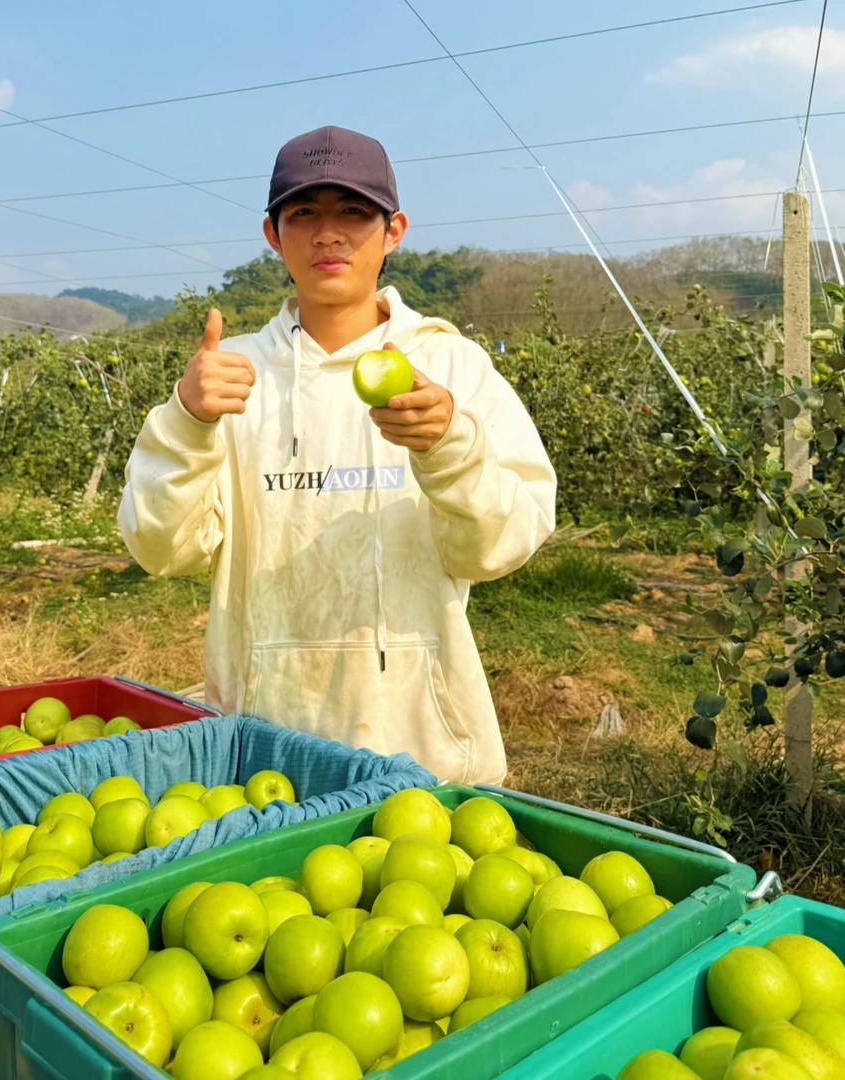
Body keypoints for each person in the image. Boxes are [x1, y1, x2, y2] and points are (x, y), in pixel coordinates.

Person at [118, 125, 556, 784]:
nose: (328, 234)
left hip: (421, 753)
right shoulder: (232, 377)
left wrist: (449, 445)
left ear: (394, 229)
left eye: (353, 212)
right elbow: (159, 549)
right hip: (262, 751)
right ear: (273, 233)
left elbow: (504, 544)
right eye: (304, 214)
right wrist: (184, 420)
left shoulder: (448, 367)